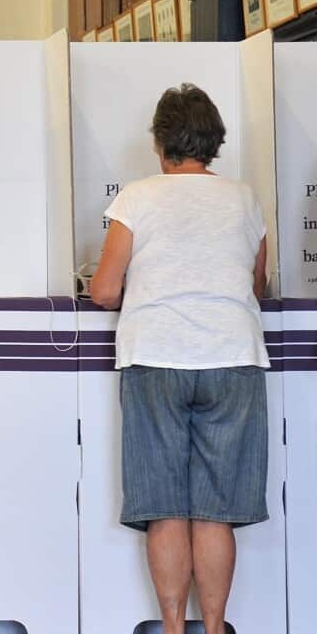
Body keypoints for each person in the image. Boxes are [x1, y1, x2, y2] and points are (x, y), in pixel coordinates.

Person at [91, 84, 269, 634]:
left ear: (160, 141)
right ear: (213, 140)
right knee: (217, 509)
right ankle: (214, 628)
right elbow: (256, 284)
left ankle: (173, 628)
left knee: (165, 505)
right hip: (233, 358)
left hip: (155, 357)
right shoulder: (244, 199)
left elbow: (104, 290)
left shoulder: (137, 197)